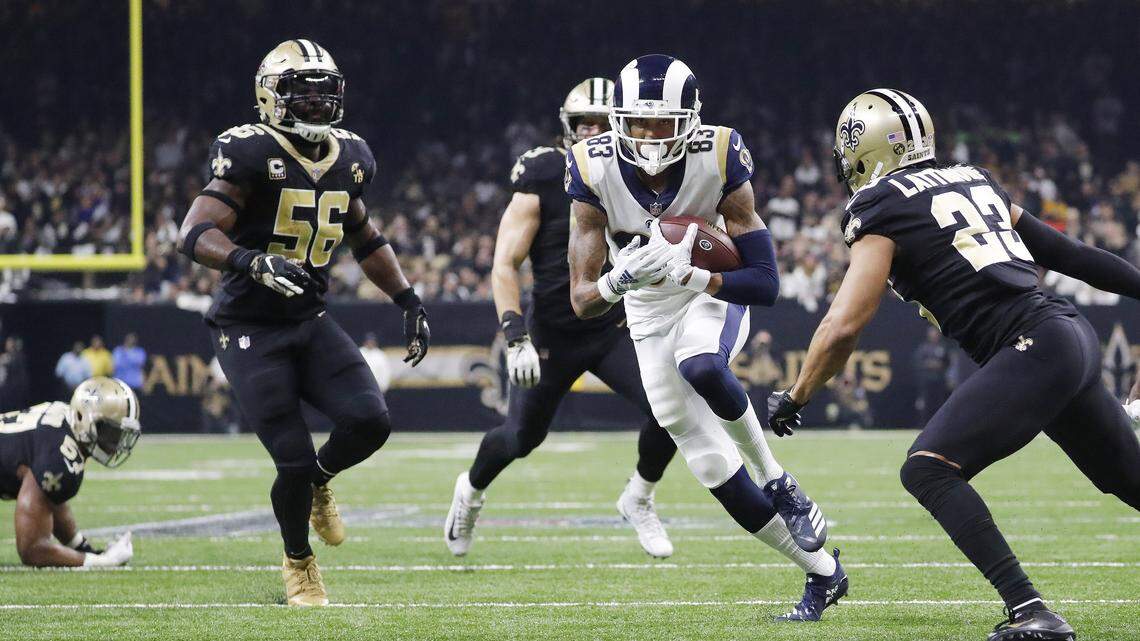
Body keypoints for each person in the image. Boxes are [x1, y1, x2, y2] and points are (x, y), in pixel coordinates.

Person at [768, 88, 1140, 641]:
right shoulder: (974, 178)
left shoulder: (880, 205)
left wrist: (796, 395)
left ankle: (1029, 609)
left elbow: (844, 324)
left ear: (862, 151)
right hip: (1070, 336)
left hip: (1032, 344)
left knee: (928, 468)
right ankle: (1030, 610)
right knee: (1128, 479)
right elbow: (1073, 256)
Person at [565, 55, 844, 622]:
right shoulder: (591, 167)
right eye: (637, 123)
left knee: (699, 362)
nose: (649, 138)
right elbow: (582, 299)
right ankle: (823, 573)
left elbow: (765, 283)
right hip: (645, 309)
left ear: (690, 121)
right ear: (617, 121)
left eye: (662, 123)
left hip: (708, 291)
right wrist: (618, 280)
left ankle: (779, 481)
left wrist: (696, 274)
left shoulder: (717, 154)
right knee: (713, 467)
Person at [176, 39, 430, 607]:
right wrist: (250, 260)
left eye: (324, 92)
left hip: (308, 318)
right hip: (248, 326)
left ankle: (319, 481)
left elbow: (364, 237)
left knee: (370, 420)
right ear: (271, 96)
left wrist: (408, 299)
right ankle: (299, 563)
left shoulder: (352, 156)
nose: (316, 103)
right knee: (289, 458)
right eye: (301, 92)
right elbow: (192, 233)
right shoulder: (249, 151)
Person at [445, 78, 679, 559]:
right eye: (583, 123)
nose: (592, 132)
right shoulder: (544, 172)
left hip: (611, 326)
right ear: (566, 128)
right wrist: (516, 337)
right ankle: (469, 492)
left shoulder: (639, 169)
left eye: (600, 122)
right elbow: (504, 263)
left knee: (670, 408)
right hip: (552, 332)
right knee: (521, 438)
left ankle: (639, 496)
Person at [0, 377, 140, 567]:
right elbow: (32, 550)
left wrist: (84, 549)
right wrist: (103, 562)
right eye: (111, 432)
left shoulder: (63, 426)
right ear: (82, 417)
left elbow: (50, 498)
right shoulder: (60, 453)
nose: (116, 444)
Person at [912, 326, 951, 424]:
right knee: (925, 403)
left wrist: (940, 365)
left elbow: (948, 362)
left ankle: (940, 424)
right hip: (926, 382)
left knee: (940, 404)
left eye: (935, 333)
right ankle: (924, 425)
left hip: (939, 381)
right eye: (932, 333)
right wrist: (928, 364)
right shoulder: (923, 348)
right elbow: (917, 363)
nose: (934, 335)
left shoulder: (943, 347)